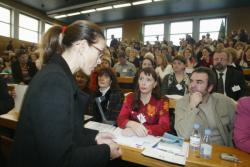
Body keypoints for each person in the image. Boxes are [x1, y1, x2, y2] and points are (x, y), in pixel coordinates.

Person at [10, 20, 121, 167]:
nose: (100, 61)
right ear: (81, 46)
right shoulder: (54, 82)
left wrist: (95, 137)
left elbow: (66, 133)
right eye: (99, 52)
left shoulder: (59, 75)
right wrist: (106, 152)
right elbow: (61, 160)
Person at [175, 67, 236, 146]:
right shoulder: (182, 103)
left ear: (210, 88)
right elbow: (183, 135)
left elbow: (237, 128)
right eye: (191, 81)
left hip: (223, 151)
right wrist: (192, 106)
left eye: (199, 82)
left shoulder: (224, 102)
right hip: (196, 151)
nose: (192, 85)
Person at [117, 67, 170, 137]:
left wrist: (139, 130)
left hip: (151, 139)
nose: (143, 83)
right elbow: (120, 119)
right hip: (130, 139)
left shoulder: (162, 101)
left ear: (155, 84)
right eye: (141, 79)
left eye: (148, 80)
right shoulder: (130, 97)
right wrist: (132, 124)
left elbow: (164, 127)